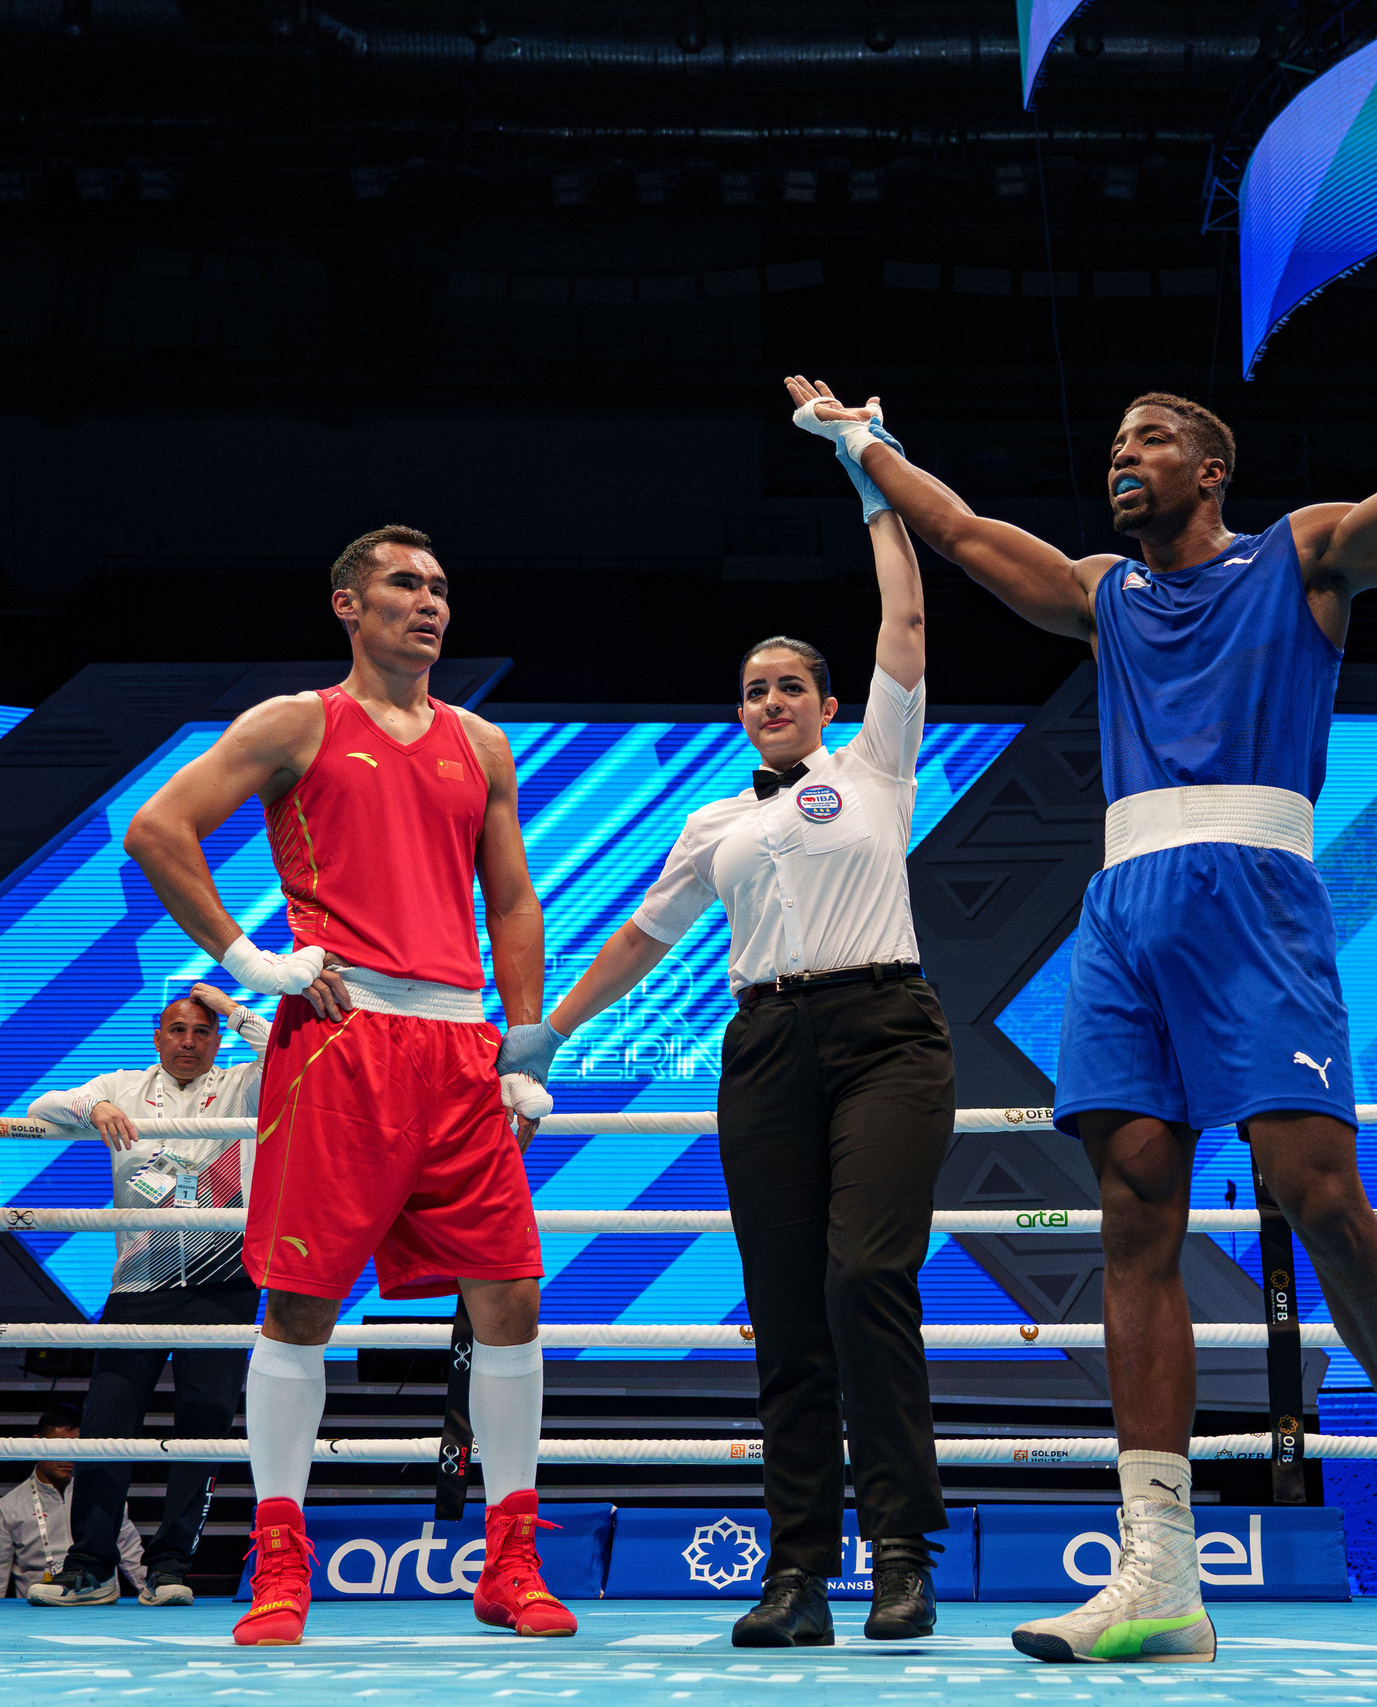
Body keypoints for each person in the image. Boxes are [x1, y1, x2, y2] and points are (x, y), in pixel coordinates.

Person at [794, 208, 1377, 1663]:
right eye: (1117, 443)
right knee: (1136, 1201)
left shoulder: (1308, 556)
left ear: (1212, 470)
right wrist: (867, 442)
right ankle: (1159, 1569)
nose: (1122, 455)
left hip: (1255, 898)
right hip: (1125, 910)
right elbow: (959, 535)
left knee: (1310, 1182)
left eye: (1152, 439)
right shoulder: (1105, 595)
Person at [497, 382, 950, 1647]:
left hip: (887, 1036)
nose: (769, 700)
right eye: (752, 688)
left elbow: (904, 615)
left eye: (790, 684)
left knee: (867, 1277)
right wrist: (547, 1035)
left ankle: (904, 1555)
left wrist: (869, 474)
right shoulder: (716, 825)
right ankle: (798, 1574)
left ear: (824, 699)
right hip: (763, 1050)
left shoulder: (877, 768)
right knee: (786, 1312)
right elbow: (643, 938)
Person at [122, 523, 565, 1648]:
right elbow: (156, 828)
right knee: (302, 1304)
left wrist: (524, 1040)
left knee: (509, 1292)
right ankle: (279, 1566)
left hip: (461, 1051)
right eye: (405, 584)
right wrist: (249, 961)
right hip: (340, 1039)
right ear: (347, 606)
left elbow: (510, 903)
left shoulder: (482, 746)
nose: (430, 603)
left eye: (441, 587)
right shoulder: (296, 723)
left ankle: (511, 1563)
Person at [20, 984, 271, 1608]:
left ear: (217, 1039)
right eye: (177, 1031)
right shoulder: (123, 1085)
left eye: (202, 1032)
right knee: (106, 1427)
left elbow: (284, 1050)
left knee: (203, 1430)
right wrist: (95, 1109)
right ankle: (90, 1566)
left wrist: (236, 1009)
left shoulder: (245, 1084)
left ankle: (171, 1565)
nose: (189, 1042)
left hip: (225, 1286)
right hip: (137, 1286)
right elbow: (45, 1104)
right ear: (157, 1037)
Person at [0, 1407, 147, 1599]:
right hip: (36, 1616)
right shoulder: (8, 1508)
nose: (69, 1457)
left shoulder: (103, 1498)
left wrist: (152, 1593)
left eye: (75, 1447)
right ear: (36, 1444)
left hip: (97, 1611)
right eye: (60, 1447)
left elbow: (133, 1558)